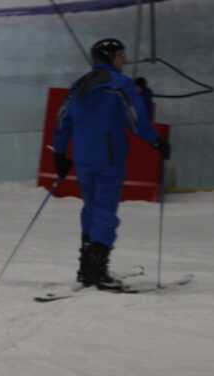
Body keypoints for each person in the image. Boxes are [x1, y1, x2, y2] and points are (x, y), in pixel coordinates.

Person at [53, 38, 171, 290]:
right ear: (109, 57)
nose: (125, 60)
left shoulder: (78, 85)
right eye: (120, 55)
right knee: (105, 211)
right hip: (109, 158)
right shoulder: (120, 84)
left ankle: (86, 268)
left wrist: (60, 154)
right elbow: (137, 119)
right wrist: (157, 142)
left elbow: (63, 119)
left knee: (91, 209)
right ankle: (97, 267)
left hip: (83, 159)